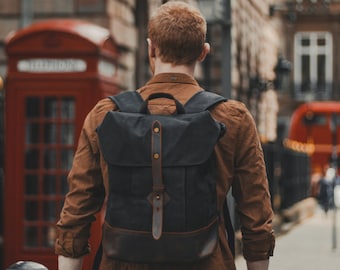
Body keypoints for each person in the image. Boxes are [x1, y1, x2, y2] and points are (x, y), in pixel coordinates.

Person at [55, 1, 275, 270]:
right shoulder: (232, 117)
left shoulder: (106, 114)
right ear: (203, 52)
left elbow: (76, 214)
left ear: (151, 48)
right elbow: (256, 217)